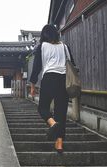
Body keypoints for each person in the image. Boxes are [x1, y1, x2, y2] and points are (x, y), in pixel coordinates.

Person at [29, 24, 75, 153]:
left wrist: (32, 86)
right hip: (63, 80)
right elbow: (73, 64)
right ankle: (59, 144)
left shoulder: (42, 47)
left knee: (42, 107)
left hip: (49, 79)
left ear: (44, 35)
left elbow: (36, 68)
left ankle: (53, 124)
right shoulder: (65, 47)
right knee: (61, 112)